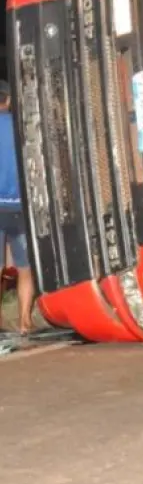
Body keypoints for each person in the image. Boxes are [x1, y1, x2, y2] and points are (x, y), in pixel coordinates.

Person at [0, 84, 33, 332]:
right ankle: (24, 321)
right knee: (24, 268)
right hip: (21, 208)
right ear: (8, 100)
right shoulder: (21, 128)